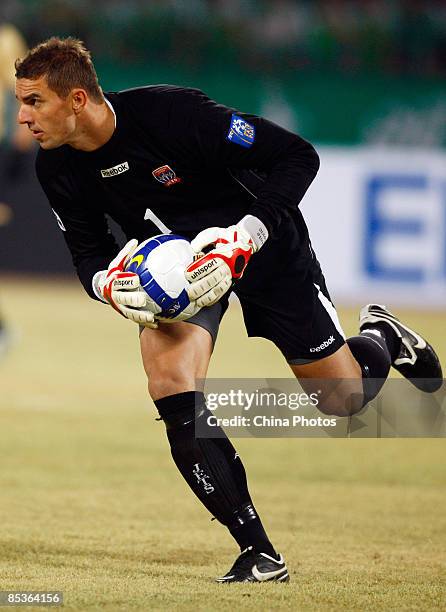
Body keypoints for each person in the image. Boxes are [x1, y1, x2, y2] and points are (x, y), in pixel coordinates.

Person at [15, 37, 442, 583]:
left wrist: (246, 235)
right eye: (21, 103)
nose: (23, 116)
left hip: (261, 244)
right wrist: (108, 286)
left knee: (343, 398)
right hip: (178, 272)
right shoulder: (56, 168)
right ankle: (259, 552)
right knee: (170, 379)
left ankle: (382, 335)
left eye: (33, 102)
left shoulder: (173, 112)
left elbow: (296, 156)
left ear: (77, 99)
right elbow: (87, 250)